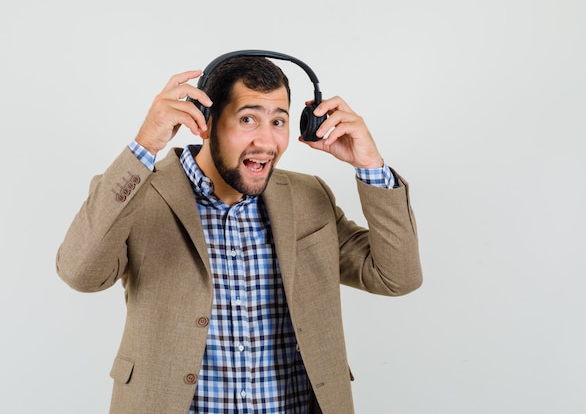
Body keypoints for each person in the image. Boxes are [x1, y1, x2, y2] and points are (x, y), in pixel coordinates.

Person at [56, 53, 422, 414]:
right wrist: (145, 146)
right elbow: (81, 273)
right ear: (205, 121)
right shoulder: (139, 193)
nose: (266, 141)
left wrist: (370, 165)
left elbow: (396, 276)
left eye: (278, 122)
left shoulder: (310, 197)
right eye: (248, 119)